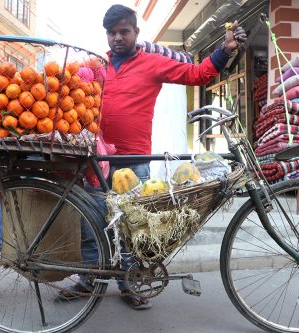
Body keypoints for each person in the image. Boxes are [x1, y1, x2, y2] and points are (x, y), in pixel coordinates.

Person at [59, 4, 246, 310]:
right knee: (90, 223)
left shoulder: (153, 63)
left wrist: (224, 51)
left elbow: (198, 74)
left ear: (136, 32)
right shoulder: (96, 66)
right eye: (112, 32)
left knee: (132, 229)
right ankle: (87, 281)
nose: (117, 38)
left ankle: (129, 284)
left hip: (134, 160)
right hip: (95, 160)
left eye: (124, 31)